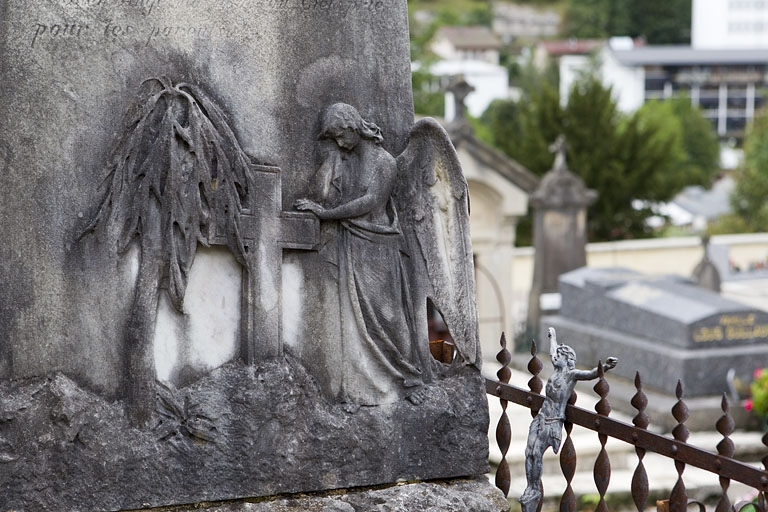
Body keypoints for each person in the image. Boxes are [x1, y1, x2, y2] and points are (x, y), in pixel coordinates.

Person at [295, 103, 426, 411]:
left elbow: (371, 202)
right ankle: (360, 390)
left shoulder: (385, 162)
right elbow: (331, 188)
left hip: (379, 244)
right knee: (353, 317)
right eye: (334, 139)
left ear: (354, 128)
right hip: (352, 241)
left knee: (389, 314)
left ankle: (408, 378)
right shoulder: (346, 162)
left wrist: (327, 214)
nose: (339, 143)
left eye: (341, 136)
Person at [520, 327, 618, 512]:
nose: (554, 356)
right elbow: (553, 350)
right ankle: (529, 486)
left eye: (559, 355)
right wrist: (553, 337)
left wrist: (605, 366)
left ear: (567, 359)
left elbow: (590, 374)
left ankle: (533, 489)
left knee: (536, 454)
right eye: (556, 354)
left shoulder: (570, 375)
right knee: (528, 452)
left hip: (553, 421)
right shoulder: (556, 371)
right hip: (541, 417)